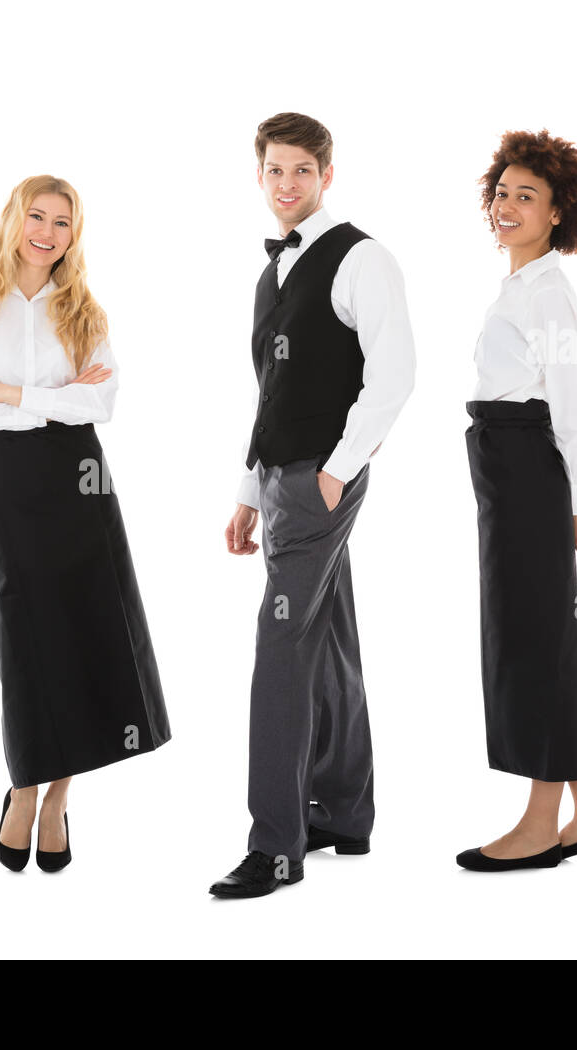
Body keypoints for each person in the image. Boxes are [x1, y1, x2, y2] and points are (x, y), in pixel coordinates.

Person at [0, 175, 170, 873]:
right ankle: (24, 786)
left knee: (91, 631)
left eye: (62, 222)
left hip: (81, 480)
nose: (47, 231)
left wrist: (8, 391)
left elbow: (101, 403)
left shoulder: (84, 311)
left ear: (75, 233)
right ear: (13, 219)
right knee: (29, 636)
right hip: (9, 480)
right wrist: (54, 400)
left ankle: (60, 799)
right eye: (36, 216)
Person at [210, 113, 416, 898]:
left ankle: (277, 846)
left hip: (320, 481)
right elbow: (272, 392)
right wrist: (246, 490)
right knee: (327, 639)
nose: (287, 185)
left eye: (302, 170)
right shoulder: (272, 275)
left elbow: (393, 374)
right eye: (274, 172)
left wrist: (335, 472)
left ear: (327, 175)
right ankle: (344, 813)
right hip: (279, 478)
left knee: (281, 651)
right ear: (259, 178)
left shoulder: (364, 257)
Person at [457, 128, 577, 872]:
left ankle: (539, 821)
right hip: (510, 470)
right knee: (536, 633)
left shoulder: (550, 293)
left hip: (533, 473)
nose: (509, 206)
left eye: (528, 197)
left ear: (559, 213)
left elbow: (574, 401)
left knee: (532, 639)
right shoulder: (520, 289)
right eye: (502, 192)